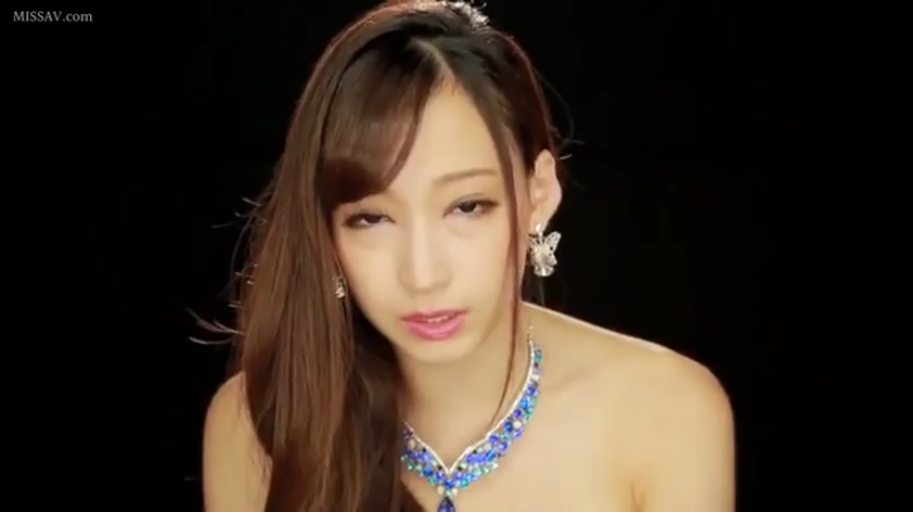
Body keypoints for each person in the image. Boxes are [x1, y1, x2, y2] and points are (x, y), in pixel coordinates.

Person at [201, 1, 735, 511]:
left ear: (538, 193)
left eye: (466, 207)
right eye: (372, 219)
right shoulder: (259, 423)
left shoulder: (665, 415)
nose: (423, 274)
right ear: (324, 229)